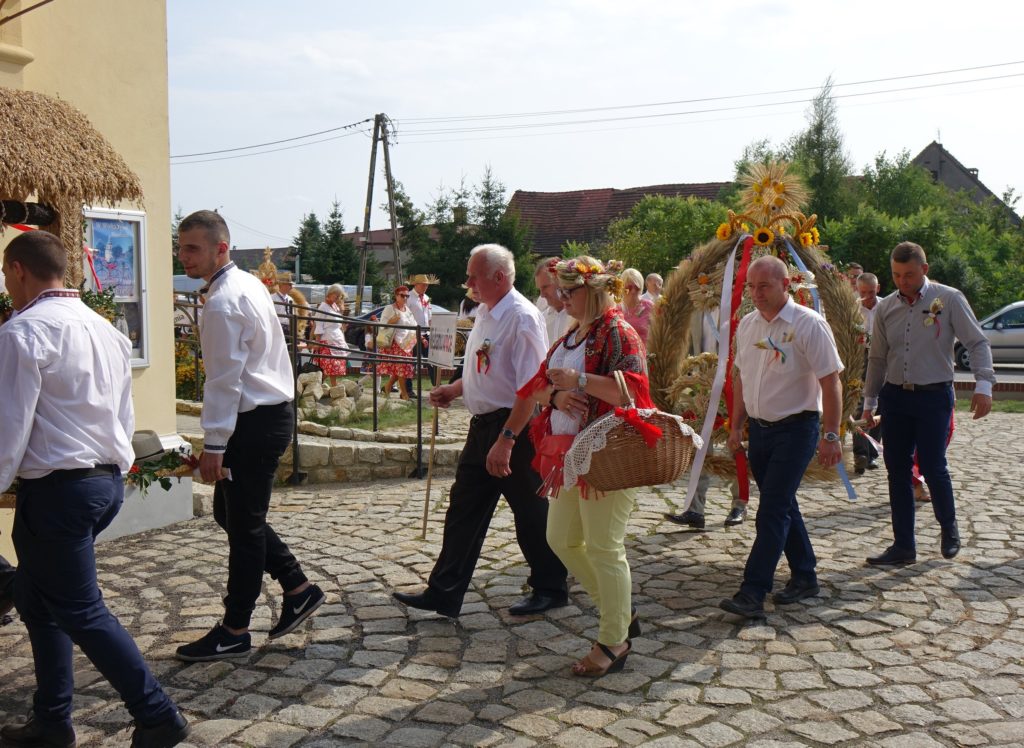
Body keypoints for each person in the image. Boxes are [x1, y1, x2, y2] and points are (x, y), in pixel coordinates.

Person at [0, 231, 189, 747]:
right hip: (102, 480)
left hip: (59, 492)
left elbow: (10, 425)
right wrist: (118, 466)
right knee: (38, 603)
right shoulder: (105, 328)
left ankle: (157, 715)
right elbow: (122, 413)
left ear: (18, 270)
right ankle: (51, 721)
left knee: (82, 610)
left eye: (4, 274)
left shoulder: (23, 332)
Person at [175, 210, 324, 661]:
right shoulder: (244, 285)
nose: (184, 257)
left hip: (253, 422)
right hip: (266, 414)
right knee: (231, 514)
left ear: (221, 248)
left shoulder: (223, 300)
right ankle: (297, 588)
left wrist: (214, 446)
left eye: (193, 248)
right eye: (181, 248)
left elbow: (224, 380)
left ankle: (236, 627)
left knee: (244, 525)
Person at [392, 244, 568, 619]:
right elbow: (488, 367)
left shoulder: (521, 317)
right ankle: (444, 591)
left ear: (499, 277)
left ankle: (551, 586)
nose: (468, 282)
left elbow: (530, 387)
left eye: (474, 276)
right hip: (483, 426)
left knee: (530, 512)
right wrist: (457, 389)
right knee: (463, 509)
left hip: (513, 428)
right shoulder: (487, 312)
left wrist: (507, 440)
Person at [513, 256, 649, 676]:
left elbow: (634, 395)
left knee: (605, 547)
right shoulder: (572, 333)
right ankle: (620, 613)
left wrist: (581, 383)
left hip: (608, 454)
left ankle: (613, 641)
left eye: (567, 292)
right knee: (561, 538)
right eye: (560, 291)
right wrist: (554, 397)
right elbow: (536, 386)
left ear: (590, 291)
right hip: (571, 455)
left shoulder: (618, 331)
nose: (559, 298)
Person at [719, 255, 844, 620]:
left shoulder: (809, 324)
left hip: (797, 428)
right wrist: (737, 425)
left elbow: (830, 381)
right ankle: (805, 575)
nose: (756, 294)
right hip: (760, 430)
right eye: (751, 287)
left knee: (771, 509)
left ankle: (753, 591)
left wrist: (832, 435)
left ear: (784, 285)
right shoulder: (748, 325)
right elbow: (742, 377)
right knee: (783, 503)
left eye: (764, 287)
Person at [862, 241, 995, 566]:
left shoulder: (948, 299)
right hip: (896, 397)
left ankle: (948, 527)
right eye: (896, 275)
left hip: (934, 396)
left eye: (909, 274)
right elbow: (877, 358)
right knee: (897, 470)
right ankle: (903, 546)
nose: (902, 281)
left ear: (924, 269)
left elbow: (977, 342)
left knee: (934, 466)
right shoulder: (885, 308)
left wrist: (984, 385)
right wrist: (869, 402)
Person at [853, 272, 881, 474]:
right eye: (863, 292)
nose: (867, 297)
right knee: (859, 405)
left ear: (877, 289)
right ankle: (860, 453)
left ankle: (872, 452)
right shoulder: (852, 309)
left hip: (882, 359)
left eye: (871, 292)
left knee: (880, 405)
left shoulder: (887, 306)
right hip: (859, 359)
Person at [377, 285, 417, 400]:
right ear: (396, 296)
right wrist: (391, 321)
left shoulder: (407, 309)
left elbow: (414, 325)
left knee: (402, 369)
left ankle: (388, 386)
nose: (405, 298)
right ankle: (404, 394)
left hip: (407, 343)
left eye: (407, 296)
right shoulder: (390, 308)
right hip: (395, 343)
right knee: (401, 369)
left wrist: (421, 337)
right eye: (402, 295)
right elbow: (382, 325)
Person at [314, 283, 350, 388]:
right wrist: (317, 341)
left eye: (339, 296)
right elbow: (319, 324)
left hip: (337, 338)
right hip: (328, 339)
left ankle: (316, 384)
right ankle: (334, 388)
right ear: (330, 293)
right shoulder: (323, 307)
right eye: (336, 295)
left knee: (334, 366)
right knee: (332, 366)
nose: (338, 298)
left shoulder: (334, 306)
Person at [535, 257, 569, 346]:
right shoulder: (541, 318)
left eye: (545, 287)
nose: (542, 295)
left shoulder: (579, 317)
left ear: (560, 281)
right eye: (539, 289)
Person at [619, 267, 654, 341]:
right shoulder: (615, 308)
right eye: (629, 287)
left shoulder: (649, 306)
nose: (633, 291)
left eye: (637, 287)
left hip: (643, 351)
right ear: (622, 287)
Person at [271, 271, 294, 340]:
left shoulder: (290, 299)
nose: (291, 287)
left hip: (289, 328)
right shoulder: (272, 298)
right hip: (277, 328)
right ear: (282, 285)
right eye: (289, 285)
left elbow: (293, 314)